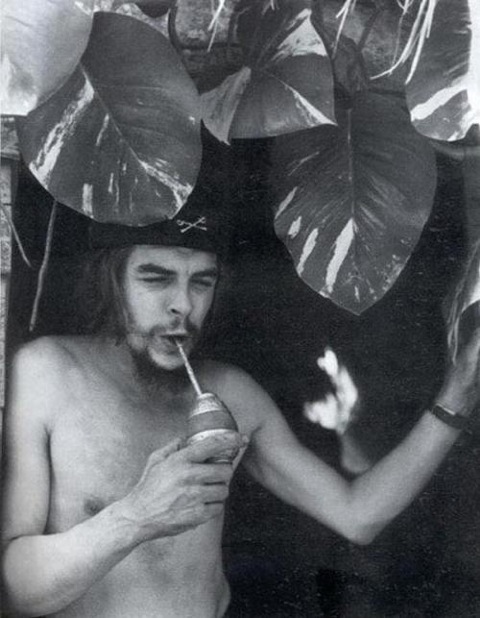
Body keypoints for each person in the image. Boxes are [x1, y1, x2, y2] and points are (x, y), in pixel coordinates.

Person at [2, 201, 480, 618]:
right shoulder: (47, 372)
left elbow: (358, 517)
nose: (182, 306)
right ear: (112, 281)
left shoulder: (230, 391)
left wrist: (457, 396)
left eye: (201, 282)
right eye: (156, 278)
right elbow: (14, 591)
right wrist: (136, 516)